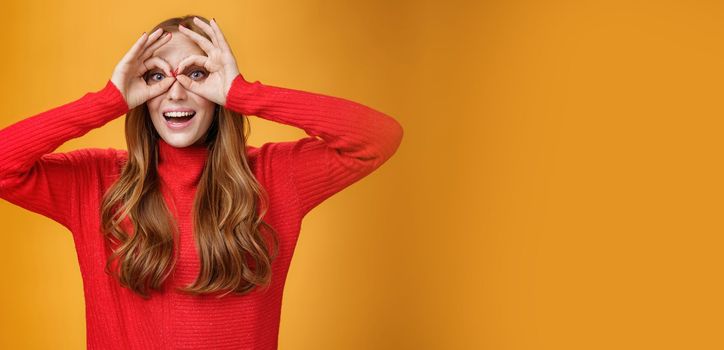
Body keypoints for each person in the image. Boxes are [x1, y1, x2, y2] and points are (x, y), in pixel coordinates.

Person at [0, 14, 403, 350]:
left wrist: (244, 93)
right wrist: (107, 100)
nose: (176, 93)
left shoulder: (274, 175)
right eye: (156, 76)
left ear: (218, 90)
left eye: (196, 74)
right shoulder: (96, 181)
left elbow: (377, 136)